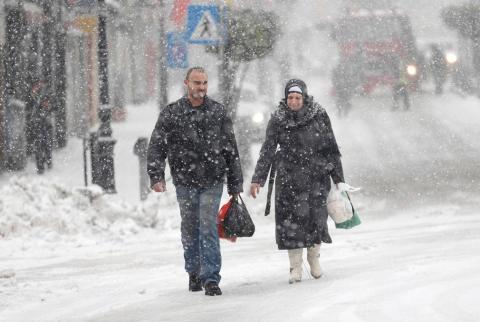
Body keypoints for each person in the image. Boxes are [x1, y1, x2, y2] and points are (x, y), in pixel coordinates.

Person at [147, 66, 243, 296]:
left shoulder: (218, 112)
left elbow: (230, 148)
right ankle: (194, 271)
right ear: (186, 83)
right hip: (184, 180)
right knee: (190, 227)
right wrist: (156, 175)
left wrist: (235, 182)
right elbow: (157, 145)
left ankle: (211, 278)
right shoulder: (172, 113)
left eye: (204, 83)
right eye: (197, 83)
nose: (201, 87)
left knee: (208, 226)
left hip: (212, 179)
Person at [250, 79, 345, 284]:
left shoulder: (319, 115)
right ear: (286, 98)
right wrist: (258, 179)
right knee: (290, 223)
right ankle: (295, 266)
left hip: (316, 177)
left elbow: (331, 147)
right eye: (290, 98)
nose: (294, 101)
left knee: (316, 219)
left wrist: (339, 178)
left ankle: (313, 257)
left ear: (304, 97)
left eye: (297, 98)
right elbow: (267, 150)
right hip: (289, 178)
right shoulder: (278, 119)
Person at [30, 79, 53, 174]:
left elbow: (49, 104)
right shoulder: (33, 96)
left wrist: (45, 105)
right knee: (39, 145)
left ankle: (47, 160)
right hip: (37, 123)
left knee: (46, 143)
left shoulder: (44, 93)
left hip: (44, 123)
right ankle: (40, 165)